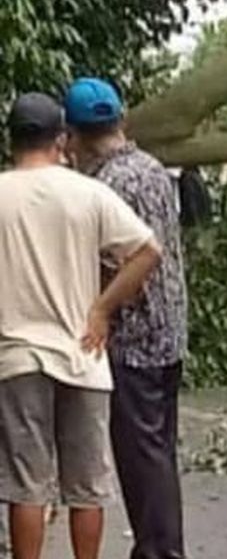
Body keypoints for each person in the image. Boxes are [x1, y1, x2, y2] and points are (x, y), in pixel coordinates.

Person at [0, 93, 161, 559]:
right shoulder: (87, 192)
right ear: (62, 139)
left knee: (27, 485)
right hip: (83, 354)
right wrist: (102, 309)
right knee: (86, 486)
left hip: (16, 357)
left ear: (12, 139)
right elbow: (147, 251)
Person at [64, 78, 189, 559]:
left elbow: (127, 259)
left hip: (134, 337)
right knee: (159, 452)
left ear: (74, 136)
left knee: (142, 459)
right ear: (122, 119)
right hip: (170, 331)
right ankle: (158, 547)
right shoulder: (153, 168)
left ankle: (160, 552)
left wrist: (98, 308)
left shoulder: (103, 187)